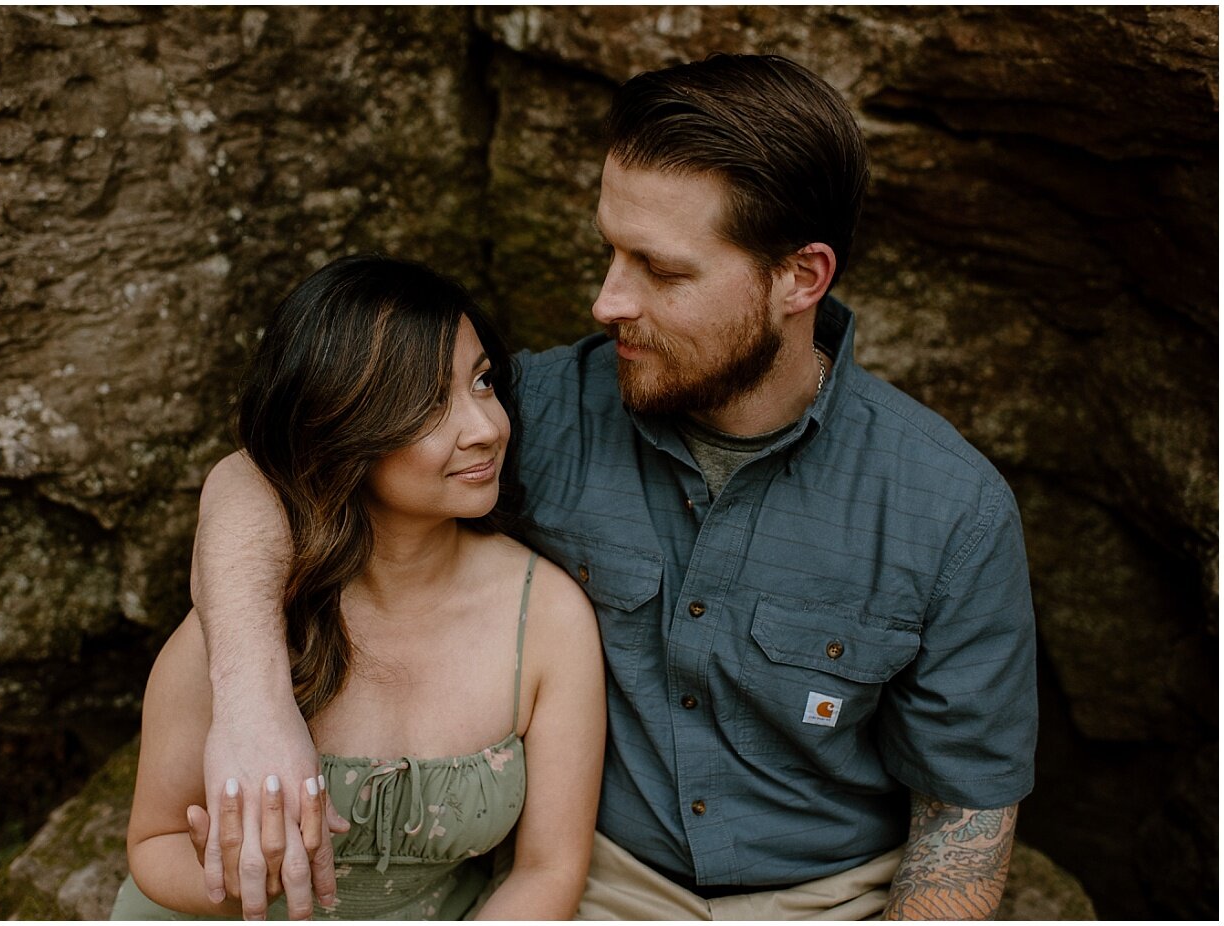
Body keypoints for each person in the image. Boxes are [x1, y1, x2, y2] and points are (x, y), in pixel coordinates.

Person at [190, 53, 1037, 920]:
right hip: (593, 884)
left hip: (835, 898)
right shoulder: (537, 413)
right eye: (610, 251)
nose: (606, 301)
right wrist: (252, 704)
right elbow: (257, 476)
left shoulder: (952, 511)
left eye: (661, 271)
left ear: (800, 277)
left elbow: (964, 813)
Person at [112, 255, 605, 920]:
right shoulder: (249, 619)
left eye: (483, 382)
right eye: (430, 403)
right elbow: (154, 842)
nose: (487, 428)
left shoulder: (547, 616)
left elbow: (548, 868)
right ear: (341, 427)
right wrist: (244, 884)